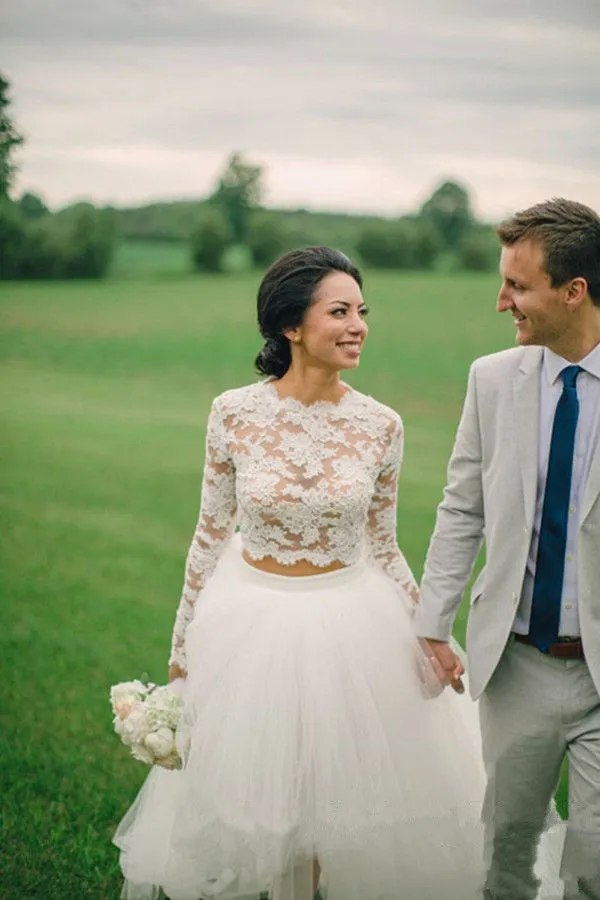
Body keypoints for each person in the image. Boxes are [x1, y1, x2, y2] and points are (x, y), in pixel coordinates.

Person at [113, 246, 561, 900]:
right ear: (292, 326)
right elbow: (209, 535)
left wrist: (430, 631)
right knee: (262, 810)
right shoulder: (232, 413)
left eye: (362, 311)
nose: (359, 326)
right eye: (340, 311)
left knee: (340, 817)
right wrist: (181, 654)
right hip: (249, 626)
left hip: (353, 629)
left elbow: (383, 543)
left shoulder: (381, 425)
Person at [414, 198, 600, 900]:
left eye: (518, 287)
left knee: (593, 864)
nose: (502, 302)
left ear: (573, 290)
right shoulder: (491, 381)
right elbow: (462, 506)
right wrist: (433, 622)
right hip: (515, 665)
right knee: (508, 856)